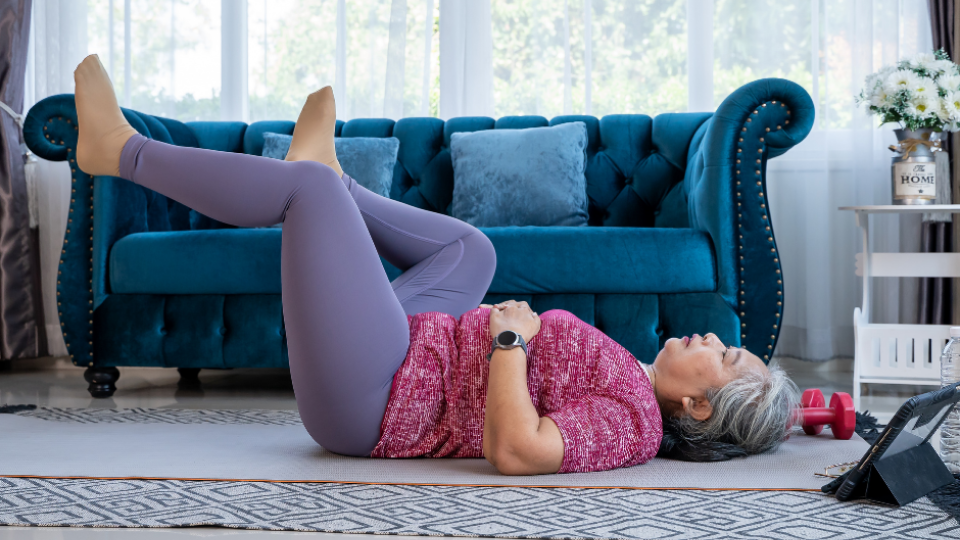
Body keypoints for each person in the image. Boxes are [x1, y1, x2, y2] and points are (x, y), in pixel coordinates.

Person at [73, 53, 801, 476]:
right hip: (409, 349)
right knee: (471, 249)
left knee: (307, 195)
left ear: (700, 408)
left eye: (728, 356)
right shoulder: (635, 379)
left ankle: (122, 152)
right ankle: (332, 175)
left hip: (376, 400)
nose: (715, 339)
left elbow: (520, 452)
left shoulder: (636, 426)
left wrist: (509, 341)